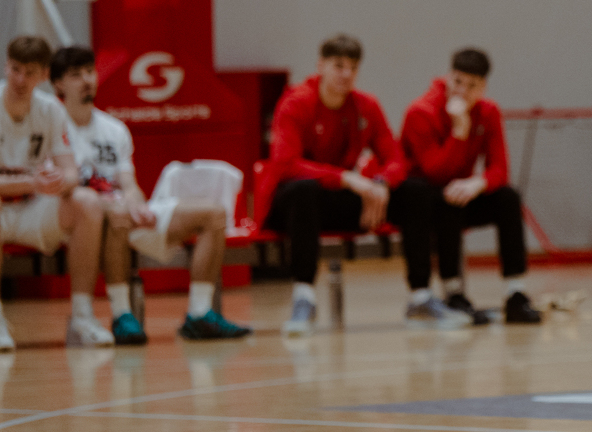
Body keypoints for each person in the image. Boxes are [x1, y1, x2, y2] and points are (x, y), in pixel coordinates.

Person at [51, 46, 251, 343]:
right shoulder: (53, 128)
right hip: (81, 220)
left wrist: (137, 204)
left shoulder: (114, 129)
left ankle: (199, 313)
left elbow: (128, 183)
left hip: (122, 211)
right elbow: (61, 189)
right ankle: (122, 313)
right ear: (58, 84)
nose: (87, 80)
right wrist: (117, 206)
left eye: (90, 72)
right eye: (76, 75)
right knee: (116, 213)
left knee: (213, 213)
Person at [261, 35, 450, 335]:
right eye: (338, 66)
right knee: (304, 190)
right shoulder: (295, 103)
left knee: (415, 191)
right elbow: (285, 164)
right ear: (320, 66)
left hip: (340, 199)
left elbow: (395, 159)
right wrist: (347, 178)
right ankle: (304, 297)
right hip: (291, 204)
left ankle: (421, 296)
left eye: (353, 67)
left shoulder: (366, 105)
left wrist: (381, 183)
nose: (346, 74)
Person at [392, 48, 541, 324]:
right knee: (446, 197)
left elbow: (500, 169)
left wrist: (478, 183)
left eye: (471, 86)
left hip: (458, 191)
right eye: (457, 82)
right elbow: (435, 172)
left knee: (508, 198)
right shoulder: (420, 111)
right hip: (420, 202)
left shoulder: (489, 111)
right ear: (449, 77)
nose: (462, 91)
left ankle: (515, 293)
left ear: (483, 87)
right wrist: (460, 129)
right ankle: (454, 293)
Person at [0, 36, 108, 350]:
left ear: (44, 75)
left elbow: (72, 173)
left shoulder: (50, 110)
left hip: (32, 208)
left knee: (87, 202)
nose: (21, 79)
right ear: (6, 66)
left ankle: (82, 316)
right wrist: (33, 182)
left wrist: (59, 181)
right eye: (15, 69)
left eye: (30, 72)